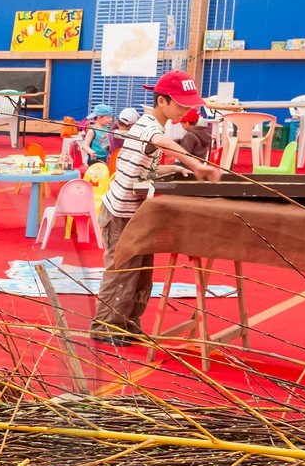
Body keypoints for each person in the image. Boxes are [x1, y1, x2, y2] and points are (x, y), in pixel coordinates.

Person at [91, 71, 223, 346]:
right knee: (122, 270)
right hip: (120, 214)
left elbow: (146, 165)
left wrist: (173, 167)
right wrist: (194, 164)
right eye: (181, 104)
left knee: (141, 273)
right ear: (162, 101)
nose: (186, 110)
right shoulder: (148, 126)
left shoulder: (155, 126)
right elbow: (160, 142)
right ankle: (105, 326)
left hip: (138, 212)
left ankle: (128, 322)